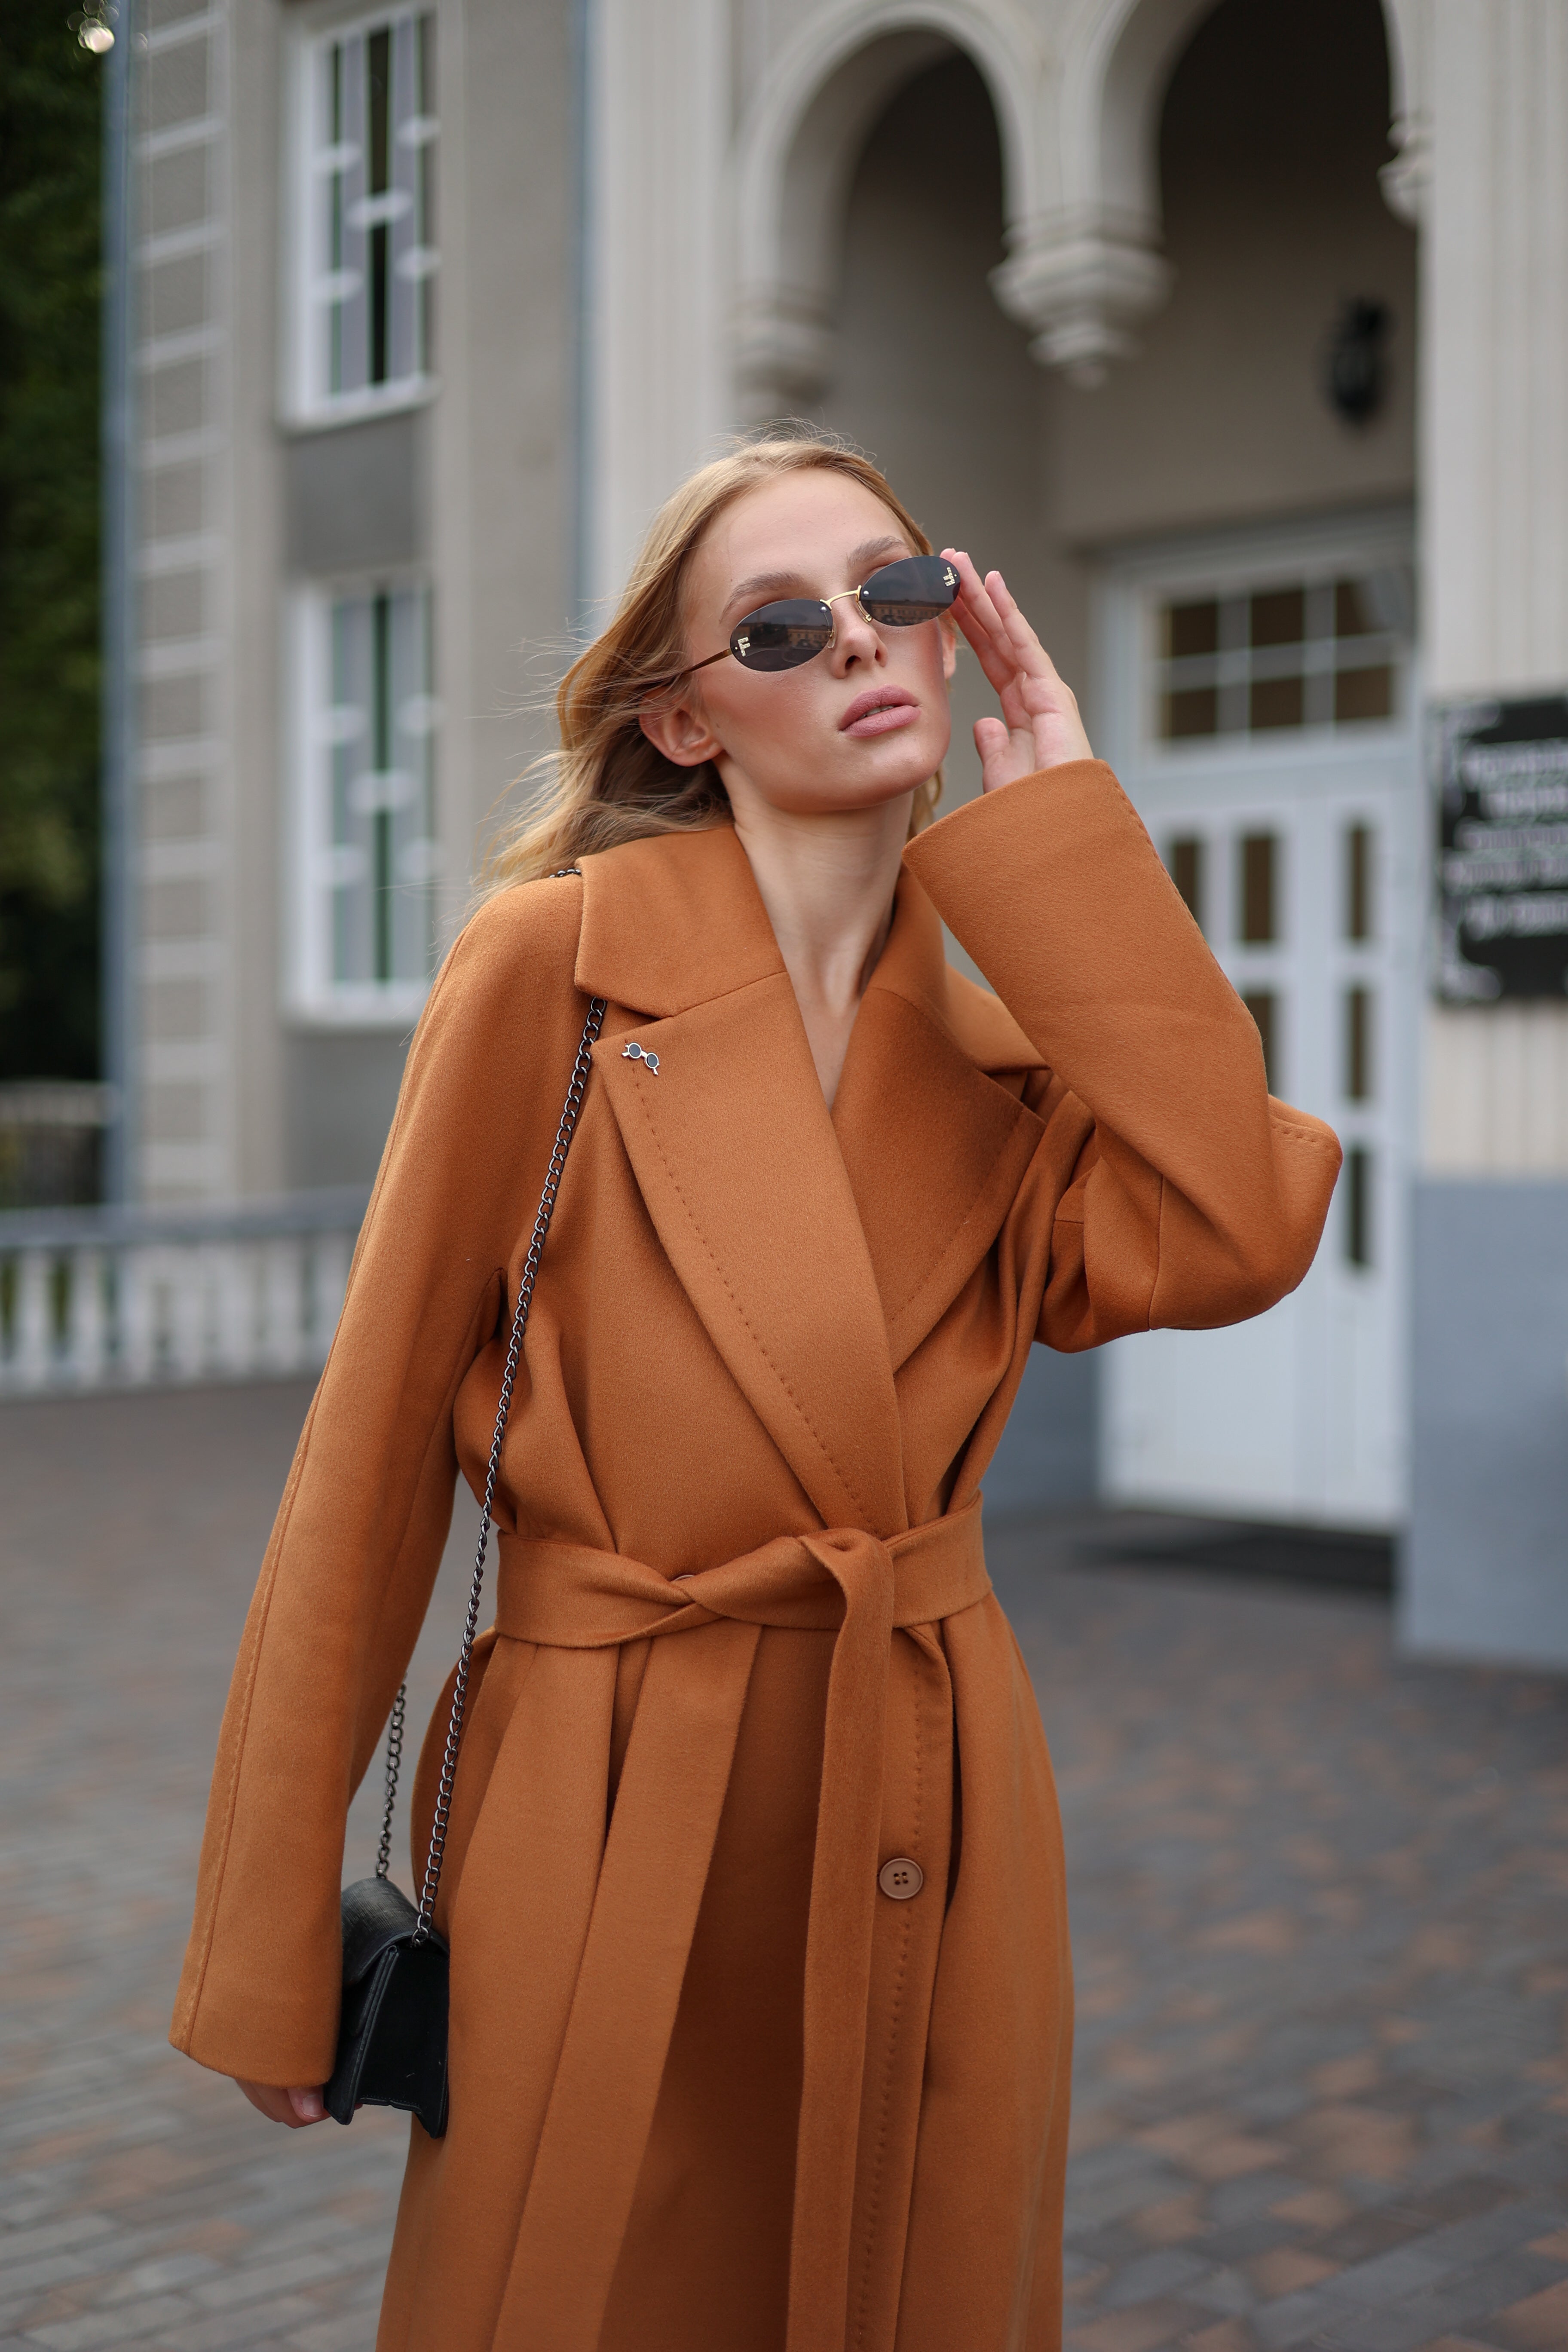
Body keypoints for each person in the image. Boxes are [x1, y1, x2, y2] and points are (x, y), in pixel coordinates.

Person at [170, 435, 1340, 2352]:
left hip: (927, 1776)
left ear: (959, 630)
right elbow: (370, 1457)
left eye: (896, 592)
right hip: (605, 1780)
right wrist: (273, 1941)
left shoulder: (1001, 1045)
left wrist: (1064, 858)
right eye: (781, 626)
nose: (859, 646)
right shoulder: (551, 971)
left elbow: (1236, 1231)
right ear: (685, 719)